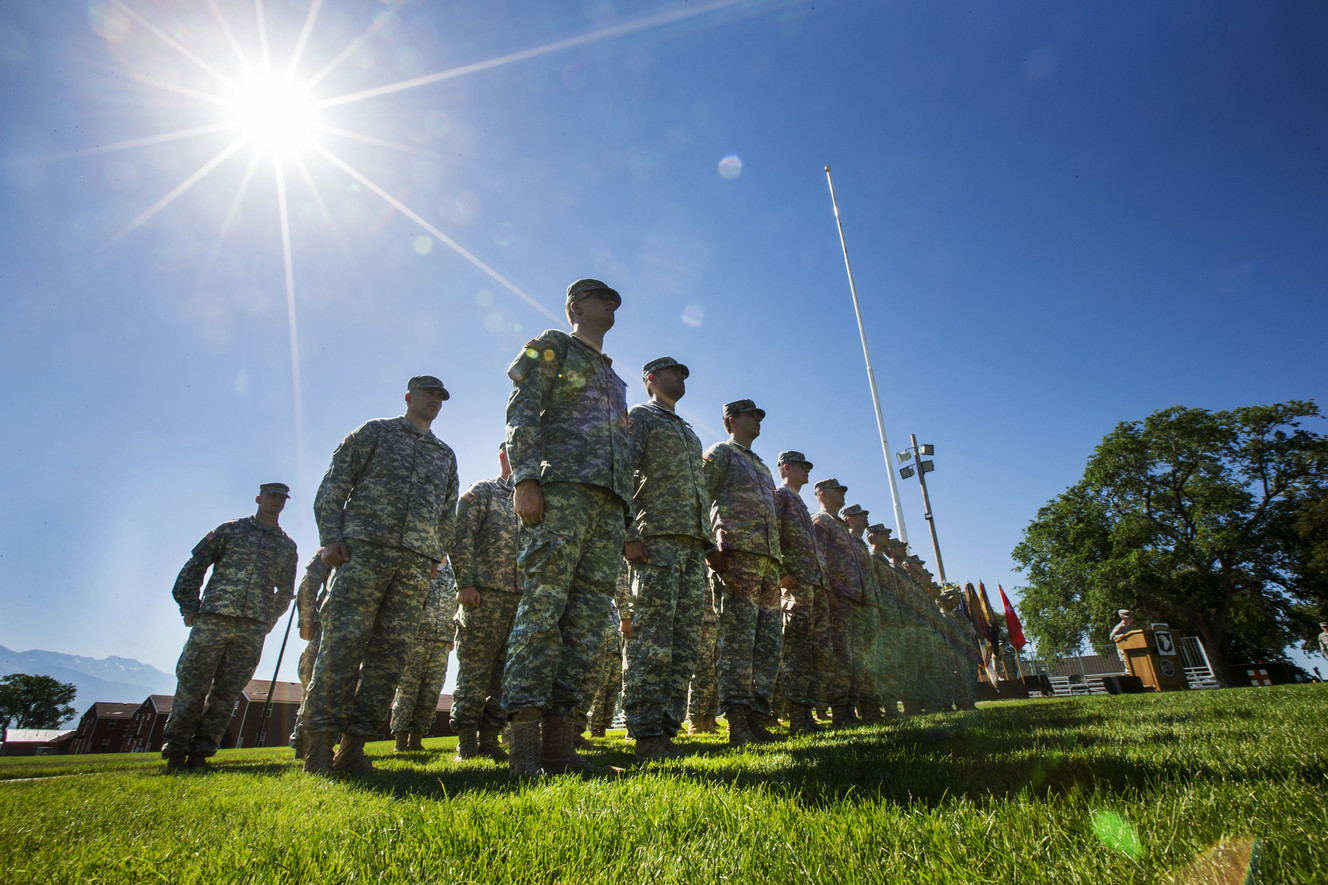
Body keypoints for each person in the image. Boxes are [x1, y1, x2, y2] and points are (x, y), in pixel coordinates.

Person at [502, 278, 633, 777]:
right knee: (543, 609)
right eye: (603, 297)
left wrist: (624, 516)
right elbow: (521, 410)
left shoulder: (615, 379)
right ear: (576, 306)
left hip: (606, 505)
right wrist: (527, 477)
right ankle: (525, 754)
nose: (612, 304)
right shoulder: (553, 344)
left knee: (585, 624)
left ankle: (560, 749)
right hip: (561, 492)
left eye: (615, 300)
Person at [301, 375, 460, 775]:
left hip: (412, 566)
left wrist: (433, 557)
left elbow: (448, 513)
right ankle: (318, 745)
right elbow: (333, 486)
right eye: (428, 395)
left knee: (389, 658)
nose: (434, 402)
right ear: (409, 397)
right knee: (341, 648)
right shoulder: (375, 432)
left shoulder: (444, 454)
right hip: (363, 554)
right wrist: (330, 538)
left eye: (440, 398)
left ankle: (353, 746)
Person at [161, 483, 298, 772]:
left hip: (251, 628)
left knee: (227, 693)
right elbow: (195, 565)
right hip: (213, 619)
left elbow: (285, 592)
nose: (276, 502)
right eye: (272, 497)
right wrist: (189, 605)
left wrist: (267, 620)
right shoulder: (230, 530)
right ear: (259, 498)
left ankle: (201, 754)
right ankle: (175, 753)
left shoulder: (287, 546)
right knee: (192, 685)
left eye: (282, 499)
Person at [621, 356, 712, 761]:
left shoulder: (690, 433)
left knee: (684, 640)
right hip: (656, 539)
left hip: (693, 544)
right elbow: (620, 470)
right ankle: (644, 732)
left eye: (684, 373)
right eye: (675, 371)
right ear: (651, 379)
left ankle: (667, 730)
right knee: (653, 639)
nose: (682, 377)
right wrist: (628, 534)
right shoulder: (641, 417)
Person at [703, 399, 783, 746]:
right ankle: (737, 720)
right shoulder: (721, 452)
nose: (758, 420)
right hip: (736, 555)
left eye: (759, 416)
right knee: (737, 641)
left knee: (766, 643)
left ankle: (757, 716)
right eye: (752, 416)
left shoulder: (763, 468)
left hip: (767, 560)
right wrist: (709, 547)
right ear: (733, 420)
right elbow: (699, 494)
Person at [450, 444, 522, 763]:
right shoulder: (484, 492)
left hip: (519, 600)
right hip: (483, 596)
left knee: (505, 673)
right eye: (512, 451)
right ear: (502, 456)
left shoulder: (532, 498)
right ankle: (466, 739)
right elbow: (460, 535)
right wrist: (464, 582)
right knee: (475, 667)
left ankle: (490, 736)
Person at [772, 451, 832, 735]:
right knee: (796, 650)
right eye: (801, 466)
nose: (807, 470)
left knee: (813, 650)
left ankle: (806, 712)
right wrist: (781, 570)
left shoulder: (800, 503)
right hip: (796, 585)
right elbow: (771, 532)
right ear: (786, 468)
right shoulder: (780, 496)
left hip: (814, 584)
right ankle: (795, 715)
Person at [811, 478, 871, 727]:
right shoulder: (821, 521)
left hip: (853, 598)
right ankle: (839, 710)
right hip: (837, 596)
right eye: (838, 491)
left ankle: (850, 706)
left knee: (854, 655)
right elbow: (819, 556)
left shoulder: (842, 528)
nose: (842, 494)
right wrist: (827, 591)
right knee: (840, 655)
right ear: (823, 494)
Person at [389, 559, 458, 751]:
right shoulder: (422, 565)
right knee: (408, 689)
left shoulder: (454, 573)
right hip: (417, 636)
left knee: (431, 690)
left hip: (443, 639)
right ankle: (401, 738)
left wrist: (452, 634)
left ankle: (417, 737)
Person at [841, 504, 886, 723]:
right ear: (849, 519)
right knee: (856, 656)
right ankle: (857, 707)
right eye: (861, 514)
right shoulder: (845, 539)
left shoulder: (859, 545)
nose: (865, 516)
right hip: (854, 603)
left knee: (871, 656)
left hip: (869, 605)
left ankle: (871, 706)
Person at [290, 550, 330, 758]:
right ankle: (303, 742)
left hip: (366, 627)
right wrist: (305, 620)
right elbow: (309, 584)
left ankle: (330, 745)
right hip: (327, 625)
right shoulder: (339, 538)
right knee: (315, 685)